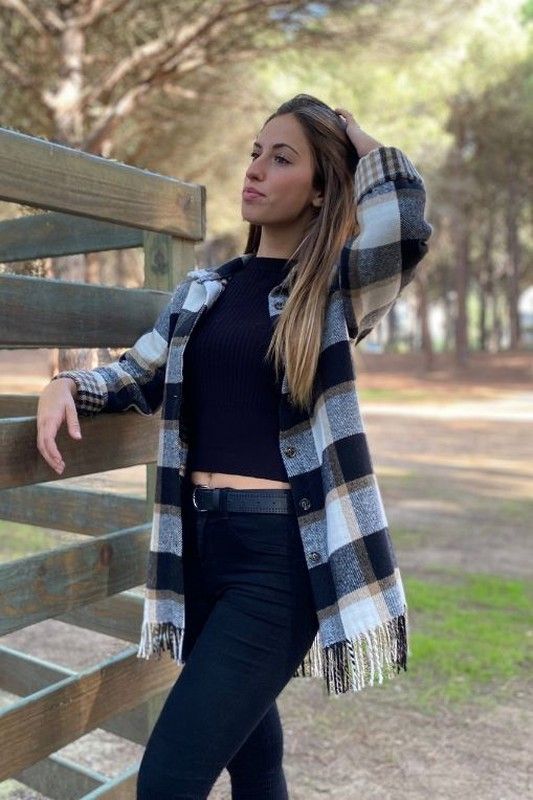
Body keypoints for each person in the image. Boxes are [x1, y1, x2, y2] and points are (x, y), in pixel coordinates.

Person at [36, 94, 432, 799]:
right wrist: (68, 385)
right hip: (199, 549)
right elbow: (136, 374)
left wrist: (355, 137)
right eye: (254, 153)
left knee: (167, 778)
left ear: (321, 189)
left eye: (281, 159)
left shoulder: (331, 292)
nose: (254, 169)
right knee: (254, 761)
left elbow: (402, 217)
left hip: (278, 559)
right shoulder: (204, 291)